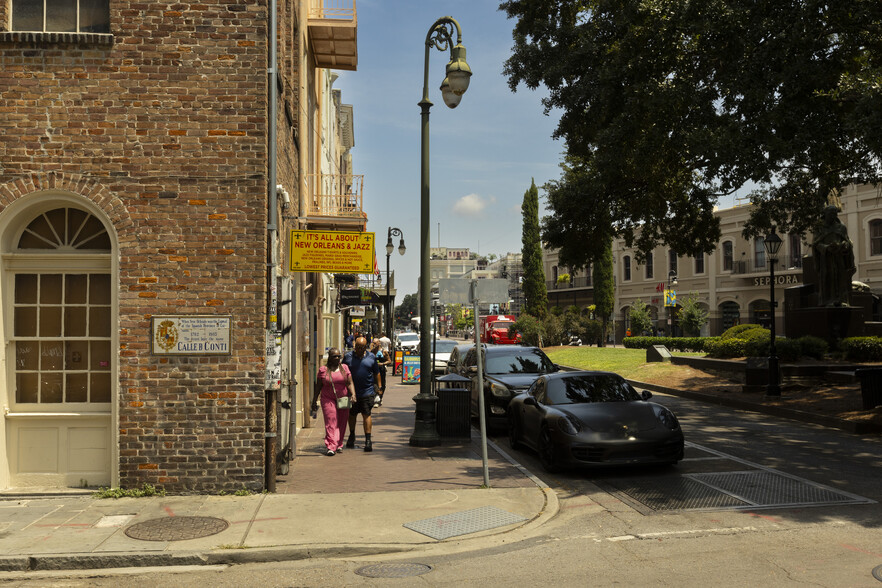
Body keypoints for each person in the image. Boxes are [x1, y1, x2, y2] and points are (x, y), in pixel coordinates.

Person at [310, 348, 355, 456]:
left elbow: (349, 383)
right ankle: (331, 446)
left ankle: (339, 444)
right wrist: (314, 400)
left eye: (338, 356)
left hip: (343, 398)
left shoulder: (344, 368)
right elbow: (318, 386)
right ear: (329, 357)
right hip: (327, 399)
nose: (337, 358)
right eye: (334, 356)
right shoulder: (323, 370)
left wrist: (353, 394)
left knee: (342, 422)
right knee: (331, 421)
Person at [343, 336, 381, 452]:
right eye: (357, 347)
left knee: (366, 414)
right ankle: (352, 434)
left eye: (362, 347)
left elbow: (377, 373)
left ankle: (368, 440)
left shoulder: (371, 357)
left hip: (367, 391)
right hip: (352, 393)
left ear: (365, 347)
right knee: (352, 415)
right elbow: (342, 371)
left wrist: (380, 387)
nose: (359, 349)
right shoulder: (348, 357)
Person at [812, 205, 856, 307]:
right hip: (826, 258)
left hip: (839, 257)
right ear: (825, 214)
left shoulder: (841, 227)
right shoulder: (820, 228)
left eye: (835, 214)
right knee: (828, 277)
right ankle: (827, 300)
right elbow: (816, 244)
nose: (833, 216)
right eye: (830, 214)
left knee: (841, 278)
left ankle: (842, 300)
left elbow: (847, 241)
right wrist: (827, 247)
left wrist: (844, 245)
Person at [371, 338, 392, 407]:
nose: (374, 344)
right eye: (373, 343)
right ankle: (376, 398)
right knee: (374, 383)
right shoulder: (372, 352)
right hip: (374, 370)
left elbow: (389, 361)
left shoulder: (384, 351)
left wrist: (382, 364)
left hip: (381, 370)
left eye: (375, 343)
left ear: (379, 343)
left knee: (382, 384)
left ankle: (380, 397)